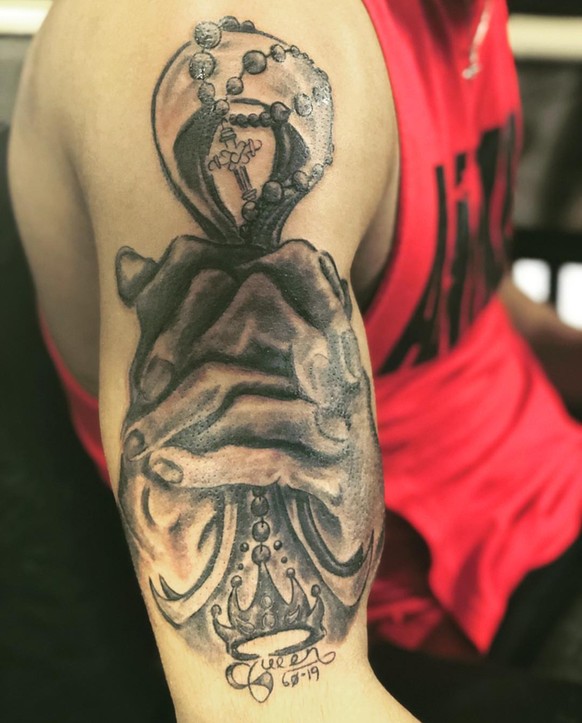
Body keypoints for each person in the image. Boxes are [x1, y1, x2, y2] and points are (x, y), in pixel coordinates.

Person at [7, 0, 582, 720]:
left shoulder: (457, 15)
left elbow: (452, 275)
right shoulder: (217, 34)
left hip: (551, 481)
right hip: (455, 615)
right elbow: (280, 706)